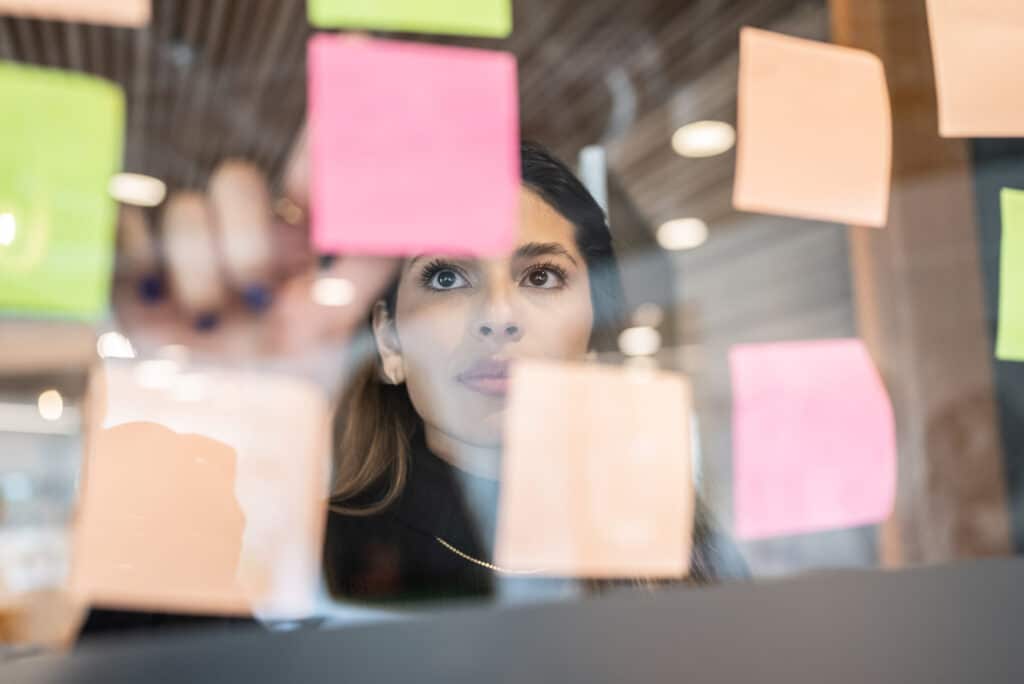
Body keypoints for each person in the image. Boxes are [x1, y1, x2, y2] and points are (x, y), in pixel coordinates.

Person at [323, 141, 747, 603]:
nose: (499, 314)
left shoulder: (677, 544)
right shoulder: (314, 558)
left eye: (541, 276)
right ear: (388, 341)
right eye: (446, 278)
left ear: (594, 321)